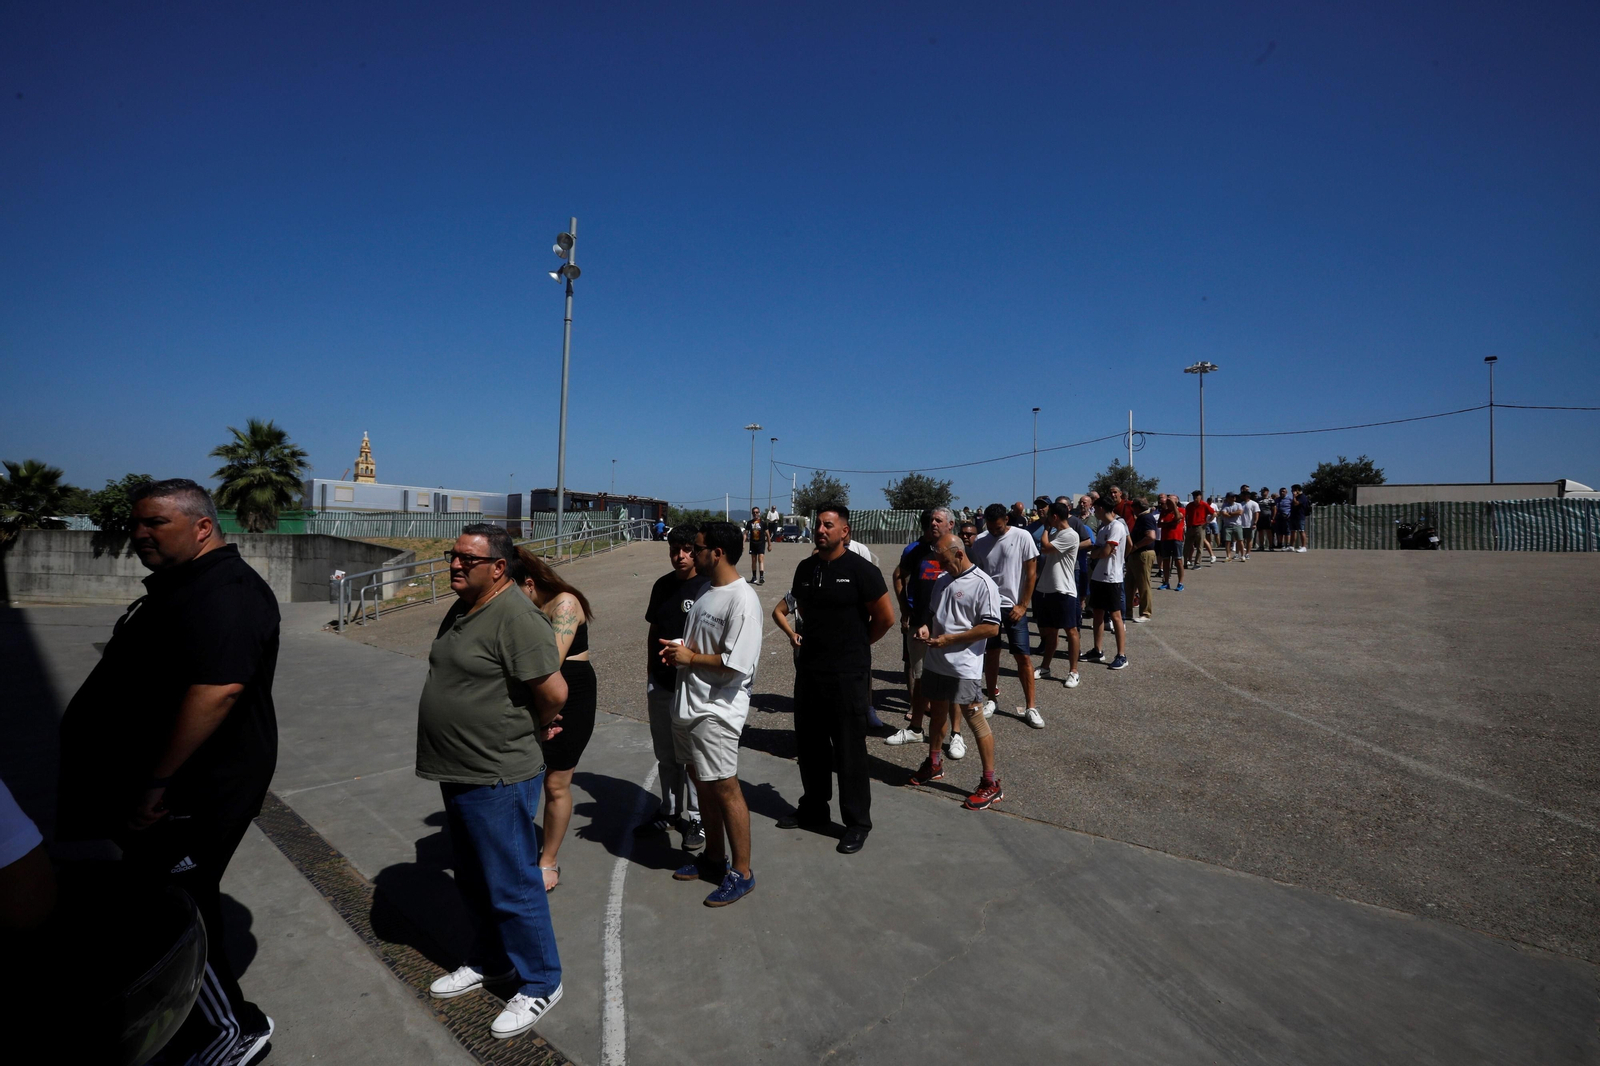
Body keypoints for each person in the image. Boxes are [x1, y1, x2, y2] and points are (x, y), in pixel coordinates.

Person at [54, 479, 280, 1064]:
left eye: (156, 523)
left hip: (192, 794)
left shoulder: (227, 591)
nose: (140, 534)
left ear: (202, 526)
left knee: (179, 909)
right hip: (162, 790)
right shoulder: (184, 588)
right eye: (136, 523)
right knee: (162, 902)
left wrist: (156, 780)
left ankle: (232, 1034)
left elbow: (220, 690)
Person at [420, 525, 567, 1037]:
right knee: (475, 878)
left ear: (499, 567)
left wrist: (532, 724)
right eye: (452, 555)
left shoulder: (516, 616)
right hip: (458, 767)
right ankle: (490, 961)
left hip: (497, 772)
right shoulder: (464, 607)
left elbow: (554, 691)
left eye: (467, 558)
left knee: (512, 885)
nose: (454, 565)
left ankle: (542, 981)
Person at [773, 504, 895, 854]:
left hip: (848, 675)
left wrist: (856, 645)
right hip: (809, 671)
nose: (821, 530)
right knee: (810, 745)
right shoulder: (805, 569)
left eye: (828, 525)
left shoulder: (862, 570)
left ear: (845, 532)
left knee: (849, 750)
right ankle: (814, 808)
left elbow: (884, 618)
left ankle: (857, 822)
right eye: (818, 525)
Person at [660, 521, 764, 905]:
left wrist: (691, 657)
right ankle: (713, 859)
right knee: (702, 783)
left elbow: (738, 663)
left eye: (699, 548)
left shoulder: (743, 600)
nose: (692, 553)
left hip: (716, 711)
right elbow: (697, 645)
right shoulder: (707, 591)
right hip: (689, 705)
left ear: (716, 553)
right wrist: (678, 649)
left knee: (725, 787)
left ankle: (743, 872)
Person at [509, 547, 598, 892]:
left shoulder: (564, 603)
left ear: (528, 584)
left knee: (556, 784)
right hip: (537, 698)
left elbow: (550, 661)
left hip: (570, 698)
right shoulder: (528, 607)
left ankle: (549, 860)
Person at [907, 533, 1005, 810]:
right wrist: (926, 627)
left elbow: (991, 628)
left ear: (960, 554)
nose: (941, 567)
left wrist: (948, 640)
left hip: (964, 667)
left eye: (945, 561)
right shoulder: (942, 580)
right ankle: (934, 763)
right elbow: (934, 613)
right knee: (937, 715)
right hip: (937, 662)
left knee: (975, 720)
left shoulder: (984, 584)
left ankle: (991, 783)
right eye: (938, 562)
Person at [639, 525, 710, 852]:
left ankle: (697, 818)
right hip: (662, 683)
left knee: (693, 755)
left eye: (686, 550)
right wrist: (652, 672)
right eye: (674, 551)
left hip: (693, 686)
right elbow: (654, 630)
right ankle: (669, 810)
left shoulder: (708, 588)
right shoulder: (662, 586)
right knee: (666, 754)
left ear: (696, 552)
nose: (679, 556)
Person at [888, 508, 965, 758]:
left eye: (938, 520)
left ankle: (956, 735)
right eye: (931, 520)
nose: (932, 523)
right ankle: (915, 728)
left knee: (953, 681)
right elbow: (899, 575)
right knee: (920, 677)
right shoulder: (916, 550)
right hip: (920, 624)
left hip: (951, 628)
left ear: (950, 525)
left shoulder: (958, 549)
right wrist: (904, 608)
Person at [967, 503, 1040, 724]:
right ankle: (992, 699)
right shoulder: (980, 541)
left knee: (1023, 656)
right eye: (990, 527)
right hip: (989, 607)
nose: (994, 531)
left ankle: (1031, 707)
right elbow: (976, 574)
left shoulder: (1022, 536)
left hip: (1014, 607)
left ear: (1006, 520)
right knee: (992, 654)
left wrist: (1023, 605)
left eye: (998, 527)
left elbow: (1031, 573)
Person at [1031, 501, 1082, 692]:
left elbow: (1045, 547)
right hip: (1047, 589)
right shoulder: (1056, 533)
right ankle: (1045, 668)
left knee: (1071, 631)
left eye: (1047, 515)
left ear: (1054, 517)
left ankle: (1073, 671)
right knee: (1050, 631)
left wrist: (1044, 528)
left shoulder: (1070, 535)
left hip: (1064, 590)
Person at [1081, 497, 1129, 670]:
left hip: (1112, 578)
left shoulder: (1117, 526)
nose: (1094, 512)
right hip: (1099, 577)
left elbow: (1105, 552)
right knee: (1098, 614)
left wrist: (1100, 552)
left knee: (1116, 616)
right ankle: (1097, 650)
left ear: (1101, 508)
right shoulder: (1103, 529)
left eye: (1095, 509)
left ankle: (1121, 655)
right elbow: (1097, 551)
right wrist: (1100, 552)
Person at [1124, 497, 1158, 623]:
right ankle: (1127, 612)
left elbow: (1151, 536)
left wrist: (1136, 546)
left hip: (1143, 554)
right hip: (1135, 555)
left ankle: (1145, 613)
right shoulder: (1142, 518)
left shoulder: (1146, 518)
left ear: (1137, 507)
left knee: (1143, 584)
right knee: (1129, 584)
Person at [1156, 496, 1186, 591]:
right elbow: (1160, 524)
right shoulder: (1164, 512)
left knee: (1178, 561)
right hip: (1165, 538)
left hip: (1177, 538)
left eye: (1171, 499)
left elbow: (1178, 518)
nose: (1169, 501)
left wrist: (1174, 506)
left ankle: (1180, 583)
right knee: (1166, 561)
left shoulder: (1181, 510)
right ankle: (1166, 582)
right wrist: (1170, 523)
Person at [1184, 491, 1214, 569]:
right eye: (1194, 496)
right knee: (1187, 546)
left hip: (1200, 527)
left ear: (1200, 496)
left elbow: (1214, 513)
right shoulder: (1189, 505)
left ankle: (1197, 563)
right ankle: (1184, 562)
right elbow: (1185, 515)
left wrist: (1208, 521)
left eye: (1197, 496)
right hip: (1190, 527)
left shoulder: (1204, 505)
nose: (1195, 498)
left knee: (1199, 546)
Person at [1220, 492, 1247, 561]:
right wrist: (1234, 514)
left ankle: (1243, 555)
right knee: (1227, 541)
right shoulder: (1225, 505)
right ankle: (1228, 555)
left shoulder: (1238, 505)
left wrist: (1231, 513)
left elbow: (1240, 512)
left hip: (1237, 525)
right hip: (1227, 525)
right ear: (1228, 498)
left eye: (1234, 497)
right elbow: (1223, 513)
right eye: (1232, 497)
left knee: (1240, 540)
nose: (1234, 498)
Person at [745, 507, 768, 584]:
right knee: (754, 560)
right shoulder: (749, 523)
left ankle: (761, 577)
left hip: (761, 543)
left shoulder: (763, 523)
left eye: (757, 512)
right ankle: (754, 577)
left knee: (760, 559)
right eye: (754, 512)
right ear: (752, 513)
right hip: (753, 543)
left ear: (759, 513)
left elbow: (767, 533)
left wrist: (769, 544)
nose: (755, 514)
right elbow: (745, 533)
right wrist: (743, 543)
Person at [1291, 485, 1312, 552]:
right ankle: (1291, 546)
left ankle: (1304, 547)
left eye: (1293, 490)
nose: (1292, 491)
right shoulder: (1297, 497)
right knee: (1293, 531)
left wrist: (1294, 497)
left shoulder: (1302, 497)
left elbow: (1296, 503)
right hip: (1294, 516)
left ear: (1297, 490)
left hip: (1300, 516)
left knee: (1301, 530)